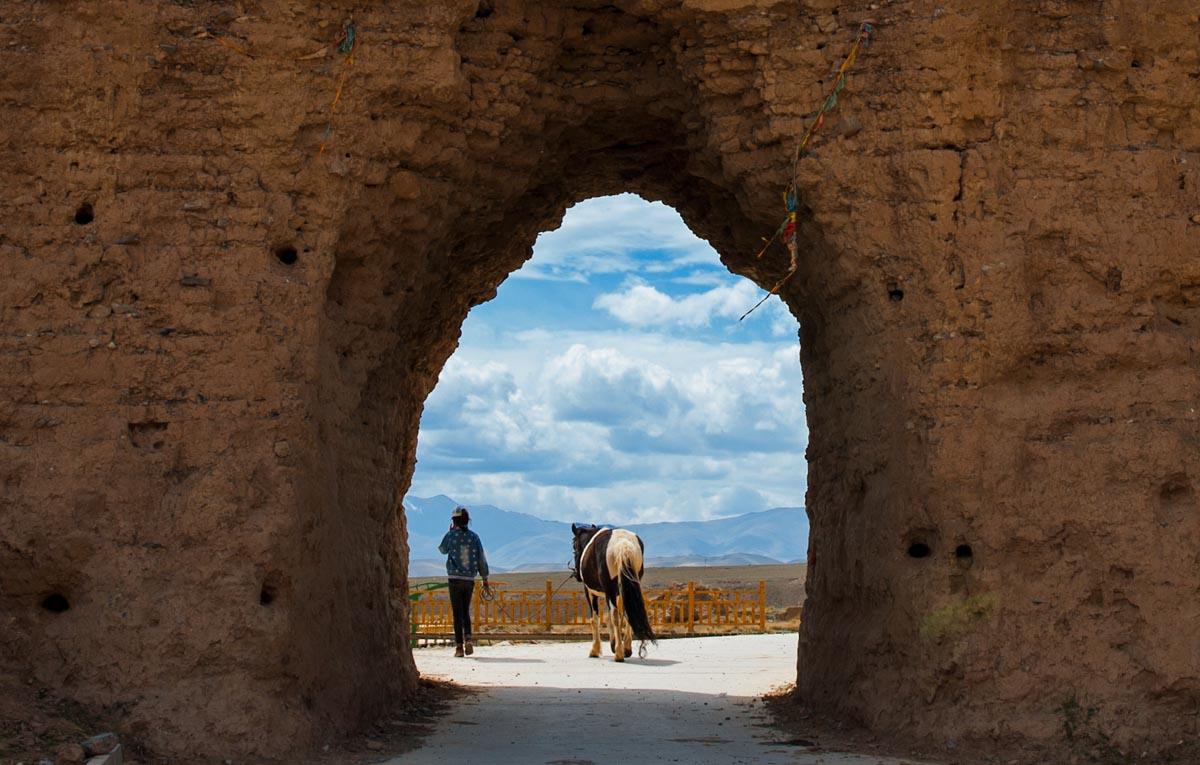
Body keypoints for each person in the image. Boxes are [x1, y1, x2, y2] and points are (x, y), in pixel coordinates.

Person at [437, 506, 489, 657]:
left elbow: (442, 549)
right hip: (469, 579)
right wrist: (485, 578)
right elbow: (481, 558)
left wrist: (450, 532)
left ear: (454, 521)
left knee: (457, 613)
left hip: (454, 578)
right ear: (467, 520)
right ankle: (469, 639)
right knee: (465, 611)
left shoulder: (451, 535)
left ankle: (459, 647)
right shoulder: (474, 537)